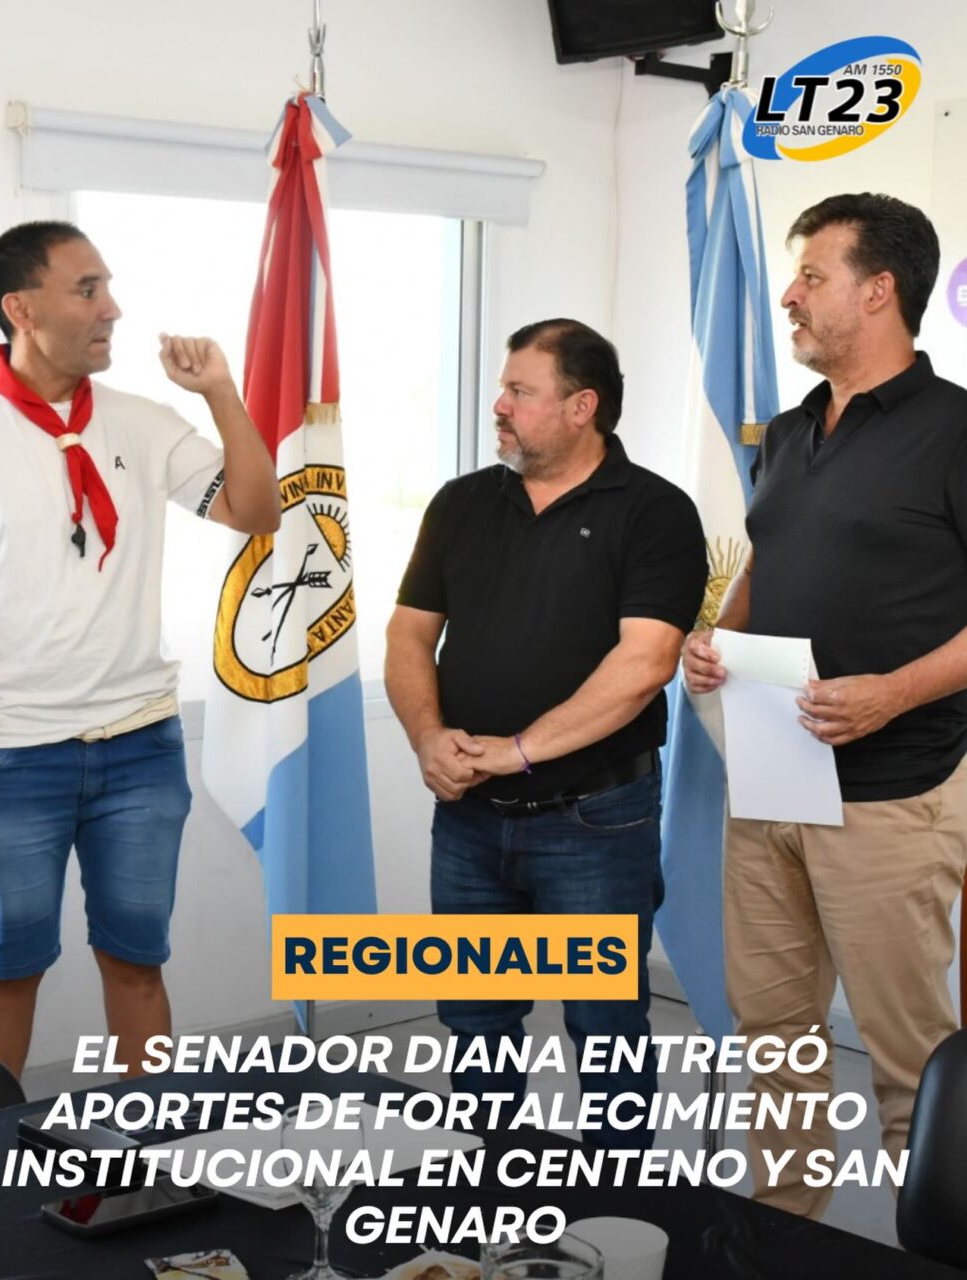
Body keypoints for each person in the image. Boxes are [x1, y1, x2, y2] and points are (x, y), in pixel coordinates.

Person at [683, 192, 967, 1217]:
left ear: (879, 290)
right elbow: (768, 559)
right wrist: (719, 638)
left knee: (909, 1062)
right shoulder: (792, 429)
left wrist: (894, 692)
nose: (789, 296)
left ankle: (935, 1250)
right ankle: (784, 1237)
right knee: (775, 1042)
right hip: (770, 783)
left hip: (893, 793)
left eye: (811, 275)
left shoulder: (955, 430)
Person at [0, 221, 280, 1078]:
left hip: (139, 747)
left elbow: (256, 510)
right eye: (87, 289)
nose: (113, 309)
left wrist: (221, 393)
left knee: (137, 964)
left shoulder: (142, 421)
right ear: (21, 308)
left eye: (108, 287)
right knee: (8, 974)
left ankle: (147, 1148)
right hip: (11, 754)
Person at [385, 318, 706, 1146]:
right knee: (475, 1020)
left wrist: (517, 751)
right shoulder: (461, 503)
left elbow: (645, 663)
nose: (499, 405)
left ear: (581, 407)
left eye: (520, 391)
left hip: (594, 822)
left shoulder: (656, 513)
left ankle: (621, 1204)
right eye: (504, 388)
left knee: (605, 1026)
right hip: (467, 819)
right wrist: (429, 739)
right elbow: (408, 637)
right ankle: (490, 1186)